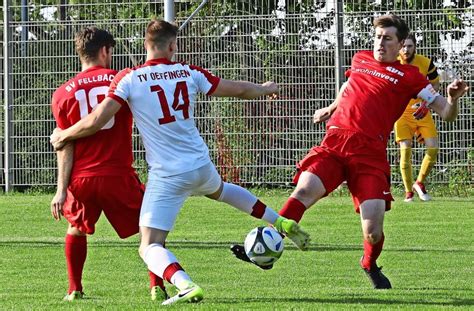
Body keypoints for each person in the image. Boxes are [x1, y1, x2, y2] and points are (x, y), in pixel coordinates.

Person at [50, 19, 310, 305]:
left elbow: (98, 120)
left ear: (145, 45)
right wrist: (262, 88)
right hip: (200, 164)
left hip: (167, 175)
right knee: (221, 190)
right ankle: (280, 221)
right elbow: (236, 89)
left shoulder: (129, 78)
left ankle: (185, 285)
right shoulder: (187, 71)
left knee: (149, 245)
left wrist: (63, 135)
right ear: (172, 45)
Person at [231, 14, 468, 289]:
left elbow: (446, 113)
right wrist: (331, 109)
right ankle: (267, 249)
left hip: (369, 154)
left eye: (387, 38)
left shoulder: (411, 77)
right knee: (304, 191)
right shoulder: (360, 58)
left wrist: (452, 97)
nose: (380, 42)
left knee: (373, 231)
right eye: (378, 36)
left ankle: (369, 263)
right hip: (335, 141)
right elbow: (349, 86)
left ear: (401, 44)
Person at [50, 27, 163, 302]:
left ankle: (74, 289)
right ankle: (156, 286)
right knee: (150, 226)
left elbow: (64, 144)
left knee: (76, 227)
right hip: (118, 174)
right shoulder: (123, 80)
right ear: (105, 51)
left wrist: (61, 190)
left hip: (82, 178)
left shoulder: (62, 93)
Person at [395, 33, 441, 202]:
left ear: (415, 47)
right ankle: (408, 192)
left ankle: (419, 182)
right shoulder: (393, 63)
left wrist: (427, 103)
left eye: (409, 46)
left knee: (433, 148)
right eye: (403, 46)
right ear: (399, 47)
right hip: (401, 114)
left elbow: (435, 83)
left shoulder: (425, 62)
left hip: (422, 111)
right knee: (405, 151)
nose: (406, 50)